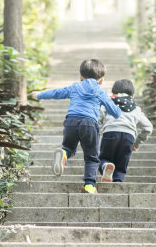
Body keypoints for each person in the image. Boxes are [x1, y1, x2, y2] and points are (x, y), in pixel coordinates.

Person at [36, 59, 121, 194]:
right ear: (101, 80)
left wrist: (38, 95)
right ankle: (89, 185)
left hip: (71, 122)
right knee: (91, 157)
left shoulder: (75, 86)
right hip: (89, 124)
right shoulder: (100, 91)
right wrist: (118, 110)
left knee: (69, 148)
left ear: (81, 77)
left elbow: (57, 93)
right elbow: (114, 112)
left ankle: (63, 154)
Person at [98, 78, 153, 183]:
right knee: (121, 165)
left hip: (110, 133)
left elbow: (98, 119)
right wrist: (137, 143)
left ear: (114, 93)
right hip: (129, 137)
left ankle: (105, 166)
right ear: (132, 96)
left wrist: (96, 133)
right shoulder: (136, 108)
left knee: (104, 158)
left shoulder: (109, 102)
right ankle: (118, 183)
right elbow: (148, 127)